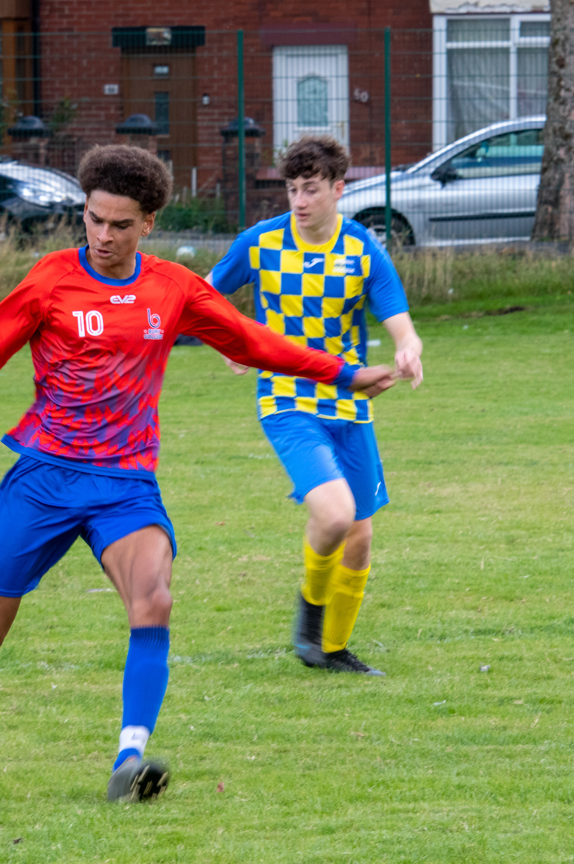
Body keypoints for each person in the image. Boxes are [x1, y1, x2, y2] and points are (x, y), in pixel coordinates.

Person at [0, 145, 396, 802]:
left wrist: (345, 373)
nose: (103, 236)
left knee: (154, 600)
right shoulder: (51, 280)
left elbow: (249, 340)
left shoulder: (172, 288)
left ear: (148, 223)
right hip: (45, 478)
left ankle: (130, 758)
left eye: (120, 225)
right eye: (94, 219)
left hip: (125, 484)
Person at [208, 136, 424, 677]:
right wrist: (228, 339)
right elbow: (202, 297)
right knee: (334, 514)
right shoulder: (260, 243)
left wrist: (407, 348)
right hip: (287, 398)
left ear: (337, 189)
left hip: (350, 402)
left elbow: (397, 315)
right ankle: (310, 614)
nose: (299, 200)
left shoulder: (361, 249)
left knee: (360, 535)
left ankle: (331, 650)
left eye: (310, 189)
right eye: (291, 189)